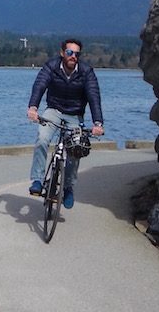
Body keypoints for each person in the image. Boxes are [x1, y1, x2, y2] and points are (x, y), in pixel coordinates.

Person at [26, 38, 105, 209]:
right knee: (42, 138)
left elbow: (94, 97)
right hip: (53, 111)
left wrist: (98, 123)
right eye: (70, 53)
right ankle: (37, 180)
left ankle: (68, 187)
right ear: (62, 53)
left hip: (75, 115)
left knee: (76, 149)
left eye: (77, 54)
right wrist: (33, 107)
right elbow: (39, 85)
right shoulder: (51, 67)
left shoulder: (86, 72)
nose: (73, 56)